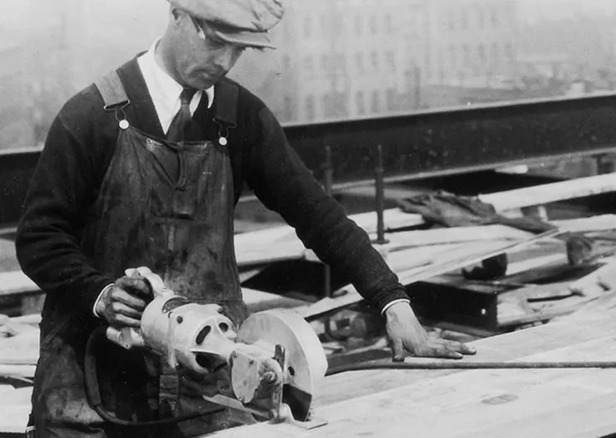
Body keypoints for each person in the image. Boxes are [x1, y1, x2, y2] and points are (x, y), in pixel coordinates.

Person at [15, 0, 475, 436]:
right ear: (177, 14)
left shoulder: (239, 119)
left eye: (239, 48)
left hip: (205, 383)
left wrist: (392, 302)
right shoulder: (91, 115)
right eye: (216, 40)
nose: (224, 61)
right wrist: (100, 293)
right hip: (92, 383)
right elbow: (39, 237)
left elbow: (318, 215)